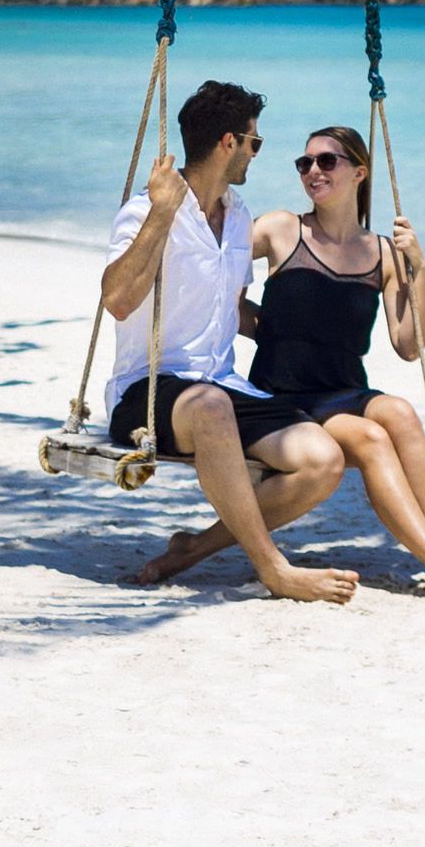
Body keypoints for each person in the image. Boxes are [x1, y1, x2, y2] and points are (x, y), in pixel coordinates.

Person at [98, 78, 358, 604]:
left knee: (322, 459)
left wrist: (311, 340)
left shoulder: (239, 216)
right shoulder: (145, 209)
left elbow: (233, 309)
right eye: (254, 143)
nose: (256, 154)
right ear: (228, 143)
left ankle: (196, 547)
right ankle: (273, 568)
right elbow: (119, 300)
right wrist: (163, 213)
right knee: (211, 404)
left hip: (222, 385)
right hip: (146, 393)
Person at [245, 123, 425, 609]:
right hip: (283, 396)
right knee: (371, 437)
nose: (313, 171)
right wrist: (265, 326)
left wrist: (419, 271)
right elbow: (212, 271)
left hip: (343, 389)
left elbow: (409, 345)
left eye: (327, 161)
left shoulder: (382, 252)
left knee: (402, 413)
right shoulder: (280, 228)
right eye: (305, 163)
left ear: (359, 171)